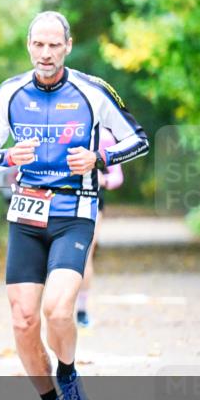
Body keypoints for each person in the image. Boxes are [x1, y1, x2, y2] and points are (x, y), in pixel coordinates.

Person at [0, 11, 149, 400]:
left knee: (58, 310)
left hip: (75, 211)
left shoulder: (92, 91)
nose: (46, 53)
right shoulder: (10, 92)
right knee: (24, 319)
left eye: (54, 45)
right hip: (27, 216)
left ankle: (68, 373)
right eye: (38, 45)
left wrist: (100, 159)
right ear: (28, 46)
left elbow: (138, 139)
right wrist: (8, 158)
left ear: (67, 46)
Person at [76, 127, 124, 327]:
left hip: (92, 201)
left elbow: (117, 175)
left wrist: (103, 180)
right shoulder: (56, 124)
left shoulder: (103, 135)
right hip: (57, 201)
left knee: (84, 256)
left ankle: (81, 311)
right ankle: (57, 308)